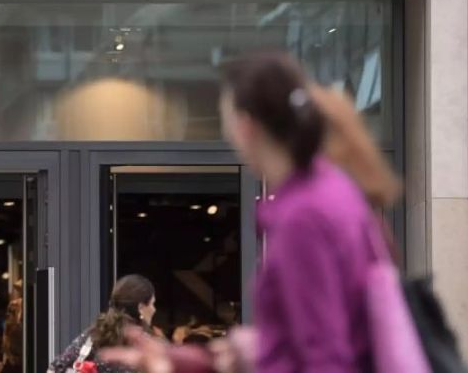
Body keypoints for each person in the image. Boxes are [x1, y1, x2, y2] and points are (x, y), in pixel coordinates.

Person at [102, 51, 402, 373]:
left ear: (245, 125)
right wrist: (192, 360)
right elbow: (298, 345)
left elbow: (324, 357)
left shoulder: (305, 217)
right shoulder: (330, 194)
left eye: (225, 122)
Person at [48, 274, 157, 373]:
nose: (154, 309)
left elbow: (54, 369)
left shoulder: (94, 336)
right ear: (141, 307)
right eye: (152, 304)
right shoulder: (145, 345)